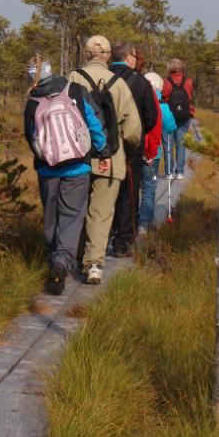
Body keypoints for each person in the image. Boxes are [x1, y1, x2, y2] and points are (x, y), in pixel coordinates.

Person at [23, 58, 110, 296]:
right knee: (72, 217)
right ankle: (63, 262)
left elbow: (31, 138)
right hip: (78, 168)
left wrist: (45, 159)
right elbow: (93, 122)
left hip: (48, 169)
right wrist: (102, 150)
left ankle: (54, 260)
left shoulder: (33, 103)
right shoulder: (73, 90)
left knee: (52, 218)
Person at [67, 35, 141, 284]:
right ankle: (95, 263)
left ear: (87, 54)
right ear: (108, 56)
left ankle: (70, 258)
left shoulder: (72, 78)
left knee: (75, 210)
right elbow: (132, 131)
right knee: (100, 212)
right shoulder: (119, 84)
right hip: (110, 159)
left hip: (76, 157)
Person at [108, 40, 159, 255]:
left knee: (103, 192)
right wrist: (138, 136)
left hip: (102, 147)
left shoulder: (102, 78)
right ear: (129, 57)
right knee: (128, 194)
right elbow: (152, 116)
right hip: (131, 149)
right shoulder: (140, 82)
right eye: (135, 56)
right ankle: (123, 243)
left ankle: (101, 238)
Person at [140, 72, 177, 231]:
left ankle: (129, 222)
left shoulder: (136, 98)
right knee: (149, 188)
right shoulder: (162, 104)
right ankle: (145, 224)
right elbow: (170, 127)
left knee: (134, 188)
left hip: (135, 150)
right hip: (153, 152)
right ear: (159, 87)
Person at [162, 59, 202, 179]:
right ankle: (179, 172)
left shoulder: (165, 82)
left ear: (170, 68)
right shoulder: (188, 81)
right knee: (181, 144)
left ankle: (169, 171)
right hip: (184, 116)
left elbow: (163, 97)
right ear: (181, 67)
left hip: (169, 116)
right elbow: (190, 95)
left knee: (168, 144)